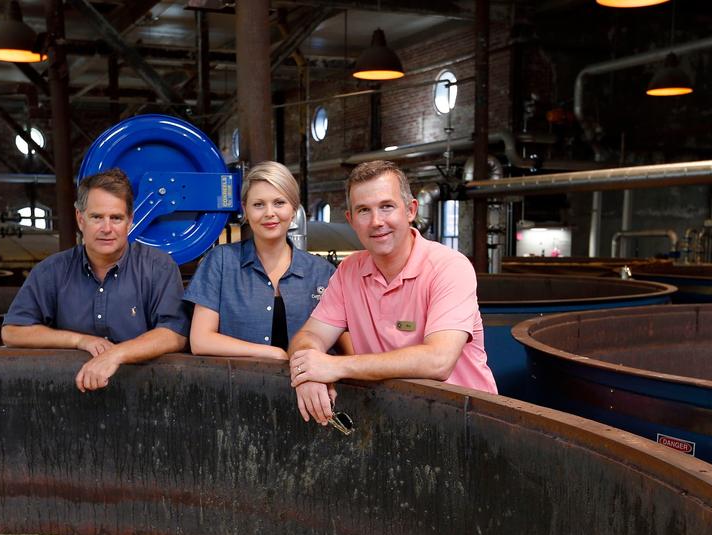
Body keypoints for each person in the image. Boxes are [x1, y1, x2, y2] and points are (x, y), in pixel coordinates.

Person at [289, 160, 496, 425]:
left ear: (410, 210)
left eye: (387, 207)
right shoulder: (349, 271)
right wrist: (309, 372)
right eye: (364, 210)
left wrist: (335, 366)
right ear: (351, 220)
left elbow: (438, 361)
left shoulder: (449, 267)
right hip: (394, 420)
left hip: (465, 423)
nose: (377, 222)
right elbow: (309, 335)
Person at [1, 168, 188, 392]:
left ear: (130, 221)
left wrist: (115, 355)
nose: (106, 228)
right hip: (69, 395)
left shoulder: (159, 268)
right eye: (97, 217)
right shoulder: (51, 271)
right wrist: (80, 341)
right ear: (81, 219)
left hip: (145, 394)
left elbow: (175, 334)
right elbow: (12, 331)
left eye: (116, 218)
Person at [183, 161, 335, 360]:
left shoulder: (322, 272)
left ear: (294, 210)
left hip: (306, 388)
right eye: (258, 204)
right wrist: (272, 353)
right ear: (245, 210)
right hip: (235, 386)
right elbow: (200, 340)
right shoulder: (220, 262)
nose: (269, 213)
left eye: (279, 203)